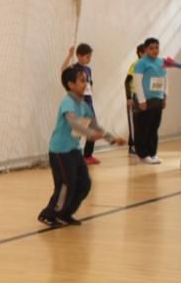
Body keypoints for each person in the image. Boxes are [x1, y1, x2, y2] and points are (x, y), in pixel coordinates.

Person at [38, 65, 125, 227]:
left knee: (84, 183)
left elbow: (96, 126)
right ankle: (49, 214)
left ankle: (65, 213)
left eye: (87, 81)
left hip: (73, 150)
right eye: (82, 81)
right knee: (66, 183)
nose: (86, 84)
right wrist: (90, 135)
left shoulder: (84, 106)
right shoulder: (68, 102)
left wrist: (112, 139)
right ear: (70, 84)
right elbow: (73, 123)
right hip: (60, 151)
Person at [61, 43, 99, 164]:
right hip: (79, 104)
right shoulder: (74, 68)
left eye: (90, 56)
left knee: (93, 128)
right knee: (78, 130)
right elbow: (63, 70)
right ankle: (72, 154)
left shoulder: (88, 69)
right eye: (87, 56)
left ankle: (88, 155)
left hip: (89, 103)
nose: (89, 59)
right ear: (79, 56)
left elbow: (89, 85)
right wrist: (69, 55)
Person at [132, 37, 167, 164]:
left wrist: (164, 96)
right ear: (146, 50)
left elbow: (164, 80)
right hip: (145, 100)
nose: (154, 50)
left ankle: (153, 153)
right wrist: (141, 100)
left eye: (156, 47)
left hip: (157, 99)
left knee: (154, 128)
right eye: (151, 48)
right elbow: (137, 82)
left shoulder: (161, 62)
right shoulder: (141, 63)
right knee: (143, 128)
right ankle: (143, 154)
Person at [125, 44, 145, 156]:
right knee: (134, 123)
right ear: (141, 53)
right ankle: (132, 146)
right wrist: (128, 97)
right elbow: (127, 81)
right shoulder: (135, 65)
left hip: (144, 97)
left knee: (143, 123)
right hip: (135, 97)